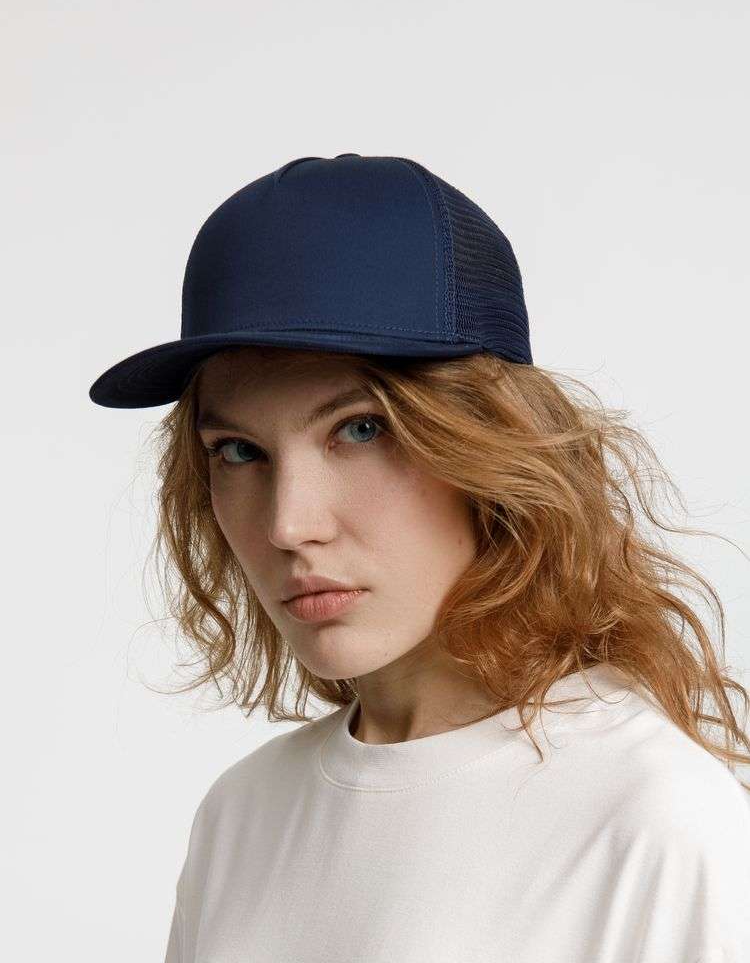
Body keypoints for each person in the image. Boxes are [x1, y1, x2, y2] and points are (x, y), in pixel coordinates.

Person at [88, 154, 750, 962]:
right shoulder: (243, 816)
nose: (289, 525)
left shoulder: (652, 821)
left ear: (494, 447)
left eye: (361, 430)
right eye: (238, 451)